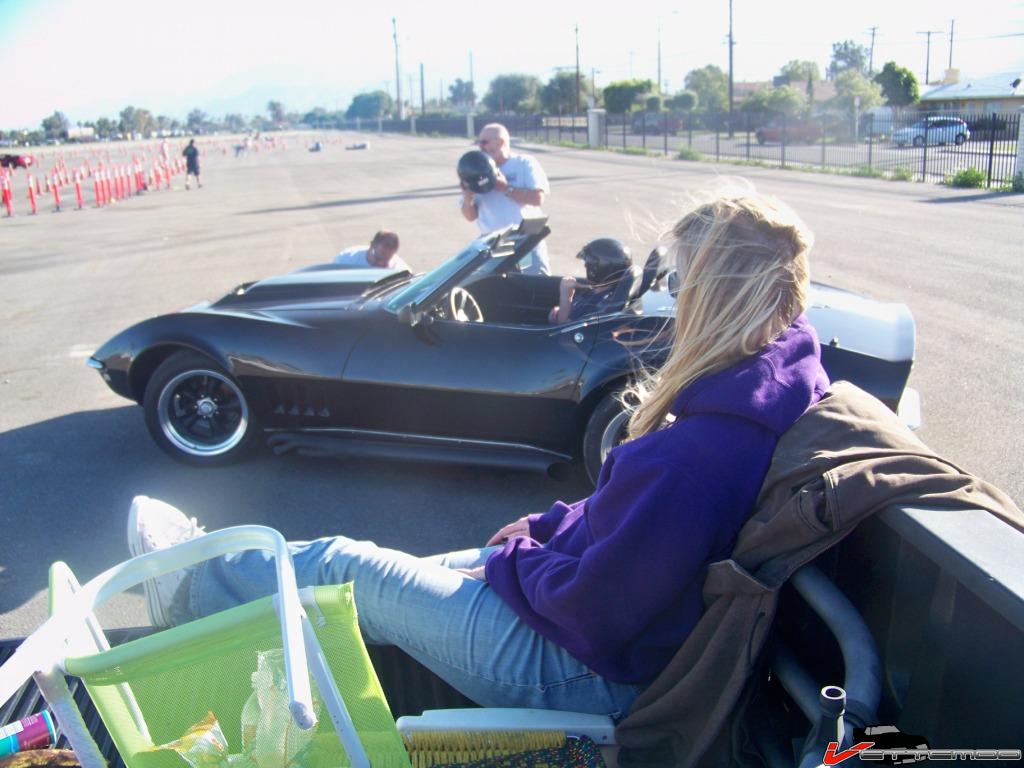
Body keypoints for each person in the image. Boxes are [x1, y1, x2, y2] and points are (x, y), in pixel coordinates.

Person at [128, 190, 828, 717]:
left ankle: (188, 584)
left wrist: (519, 559)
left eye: (680, 284)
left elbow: (598, 610)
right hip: (595, 629)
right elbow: (614, 525)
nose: (669, 304)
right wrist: (541, 530)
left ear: (714, 297)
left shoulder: (697, 455)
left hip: (578, 667)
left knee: (347, 568)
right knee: (370, 578)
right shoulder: (772, 384)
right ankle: (217, 594)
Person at [459, 123, 550, 275]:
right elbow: (470, 216)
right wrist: (468, 199)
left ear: (501, 142)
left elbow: (537, 198)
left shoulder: (524, 163)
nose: (480, 147)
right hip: (494, 245)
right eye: (479, 142)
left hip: (526, 240)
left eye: (485, 142)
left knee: (536, 287)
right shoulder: (476, 170)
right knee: (499, 293)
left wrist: (505, 188)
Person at [549, 238, 633, 324]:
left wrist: (566, 295)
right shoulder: (600, 294)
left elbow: (564, 328)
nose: (585, 266)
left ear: (599, 268)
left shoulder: (596, 304)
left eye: (588, 263)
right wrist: (560, 312)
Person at [332, 231, 408, 270]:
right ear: (372, 245)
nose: (382, 264)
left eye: (386, 262)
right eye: (379, 259)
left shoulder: (399, 269)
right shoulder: (346, 260)